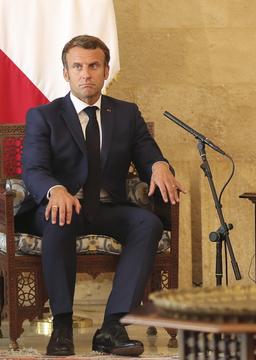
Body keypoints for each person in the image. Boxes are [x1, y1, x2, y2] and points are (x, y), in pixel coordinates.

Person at [20, 35, 184, 357]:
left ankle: (112, 326)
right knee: (58, 218)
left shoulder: (126, 113)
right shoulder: (44, 116)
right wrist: (56, 190)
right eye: (77, 66)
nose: (86, 74)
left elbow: (148, 154)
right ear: (66, 73)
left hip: (109, 206)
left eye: (93, 66)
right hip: (62, 207)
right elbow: (34, 169)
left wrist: (161, 166)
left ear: (106, 70)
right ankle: (63, 325)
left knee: (147, 223)